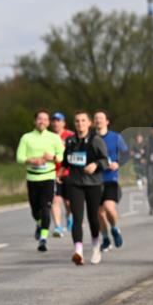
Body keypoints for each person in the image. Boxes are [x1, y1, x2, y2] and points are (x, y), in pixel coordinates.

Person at [62, 111, 110, 265]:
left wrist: (95, 164)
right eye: (77, 121)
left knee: (93, 218)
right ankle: (78, 252)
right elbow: (66, 160)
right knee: (77, 218)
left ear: (89, 123)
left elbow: (106, 161)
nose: (80, 124)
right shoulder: (70, 141)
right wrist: (61, 172)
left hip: (93, 184)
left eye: (83, 120)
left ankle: (96, 247)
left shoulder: (96, 140)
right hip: (75, 184)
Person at [16, 110, 65, 253]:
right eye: (39, 119)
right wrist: (31, 160)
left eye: (45, 119)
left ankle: (43, 239)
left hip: (48, 178)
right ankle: (38, 223)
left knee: (46, 208)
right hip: (32, 178)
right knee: (35, 210)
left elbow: (62, 156)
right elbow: (19, 158)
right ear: (35, 121)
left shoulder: (54, 138)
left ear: (48, 122)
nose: (42, 121)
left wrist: (52, 158)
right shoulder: (26, 137)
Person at [92, 110, 128, 252]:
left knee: (108, 208)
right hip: (94, 180)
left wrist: (117, 163)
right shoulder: (90, 138)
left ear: (107, 121)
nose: (98, 120)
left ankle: (114, 228)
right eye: (96, 118)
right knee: (99, 213)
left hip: (110, 178)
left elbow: (126, 154)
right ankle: (106, 239)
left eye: (101, 118)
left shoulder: (116, 137)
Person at [49, 112, 75, 237]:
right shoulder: (48, 137)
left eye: (58, 121)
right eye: (54, 121)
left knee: (69, 202)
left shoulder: (70, 136)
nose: (56, 123)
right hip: (53, 173)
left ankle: (69, 216)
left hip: (69, 172)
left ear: (63, 123)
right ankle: (58, 227)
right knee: (55, 200)